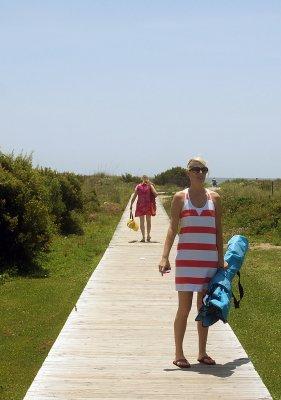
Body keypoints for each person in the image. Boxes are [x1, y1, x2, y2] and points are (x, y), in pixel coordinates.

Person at [158, 157, 227, 368]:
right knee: (184, 308)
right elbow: (172, 228)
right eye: (195, 169)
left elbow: (218, 232)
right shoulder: (180, 198)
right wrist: (164, 256)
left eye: (203, 169)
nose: (200, 173)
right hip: (187, 261)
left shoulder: (214, 198)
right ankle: (179, 353)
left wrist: (221, 259)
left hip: (208, 261)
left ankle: (202, 352)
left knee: (204, 307)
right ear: (188, 173)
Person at [130, 175, 158, 242]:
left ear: (141, 179)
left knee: (142, 222)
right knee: (148, 221)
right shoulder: (150, 186)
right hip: (148, 205)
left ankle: (143, 237)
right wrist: (152, 186)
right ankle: (148, 235)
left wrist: (131, 204)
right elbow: (156, 194)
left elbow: (134, 197)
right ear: (147, 179)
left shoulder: (138, 186)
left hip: (140, 205)